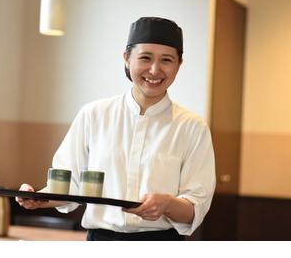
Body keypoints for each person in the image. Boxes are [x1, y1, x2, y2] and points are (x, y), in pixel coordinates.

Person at [16, 17, 216, 241]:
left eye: (167, 60)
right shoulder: (93, 115)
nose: (154, 69)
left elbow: (195, 206)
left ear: (179, 64)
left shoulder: (192, 127)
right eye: (145, 58)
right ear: (127, 58)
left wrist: (168, 204)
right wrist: (36, 198)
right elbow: (68, 186)